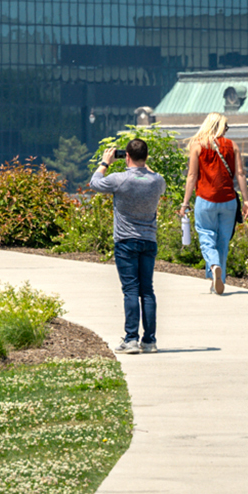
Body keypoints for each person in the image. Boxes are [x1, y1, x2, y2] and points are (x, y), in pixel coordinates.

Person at [90, 139, 167, 354]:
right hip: (149, 240)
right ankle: (149, 341)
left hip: (126, 242)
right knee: (147, 290)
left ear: (126, 157)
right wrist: (144, 166)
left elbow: (94, 183)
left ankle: (131, 339)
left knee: (131, 290)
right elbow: (156, 177)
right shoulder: (156, 182)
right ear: (146, 157)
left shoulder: (119, 179)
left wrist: (105, 162)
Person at [178, 113, 248, 295]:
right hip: (229, 200)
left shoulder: (198, 146)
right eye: (226, 127)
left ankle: (214, 266)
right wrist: (247, 200)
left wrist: (185, 203)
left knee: (206, 236)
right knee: (223, 241)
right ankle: (217, 281)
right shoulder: (232, 145)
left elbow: (192, 176)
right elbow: (241, 174)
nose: (227, 130)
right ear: (220, 127)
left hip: (205, 199)